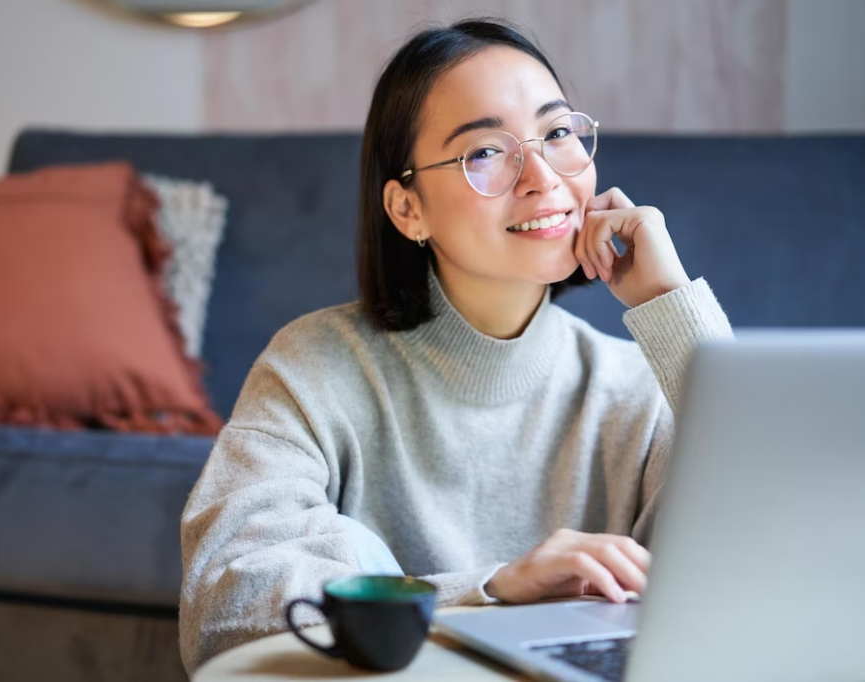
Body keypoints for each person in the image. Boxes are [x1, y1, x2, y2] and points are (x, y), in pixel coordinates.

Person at [178, 17, 732, 673]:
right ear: (408, 209)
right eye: (486, 152)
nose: (544, 177)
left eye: (557, 133)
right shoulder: (313, 367)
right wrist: (493, 590)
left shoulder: (644, 390)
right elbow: (227, 597)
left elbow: (786, 548)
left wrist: (671, 303)